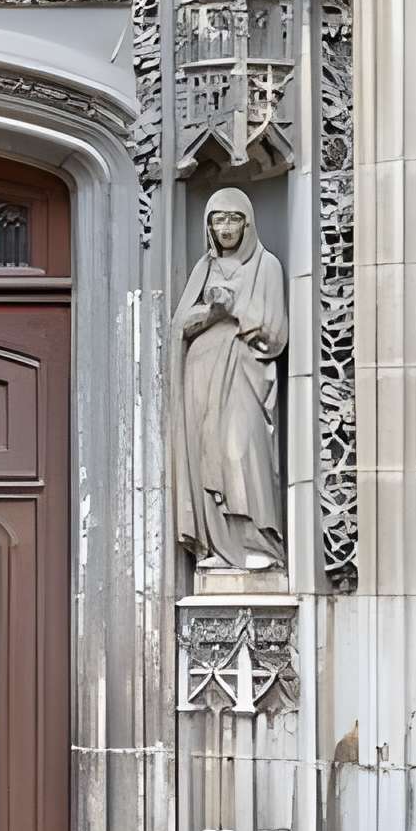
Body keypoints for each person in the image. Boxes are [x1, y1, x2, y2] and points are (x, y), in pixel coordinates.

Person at [170, 186, 287, 573]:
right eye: (217, 219)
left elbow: (274, 332)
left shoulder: (266, 266)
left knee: (241, 450)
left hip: (244, 373)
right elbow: (181, 327)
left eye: (233, 218)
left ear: (247, 222)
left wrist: (232, 309)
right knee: (209, 459)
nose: (225, 227)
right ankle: (219, 546)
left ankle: (257, 543)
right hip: (201, 376)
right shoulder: (204, 269)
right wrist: (212, 313)